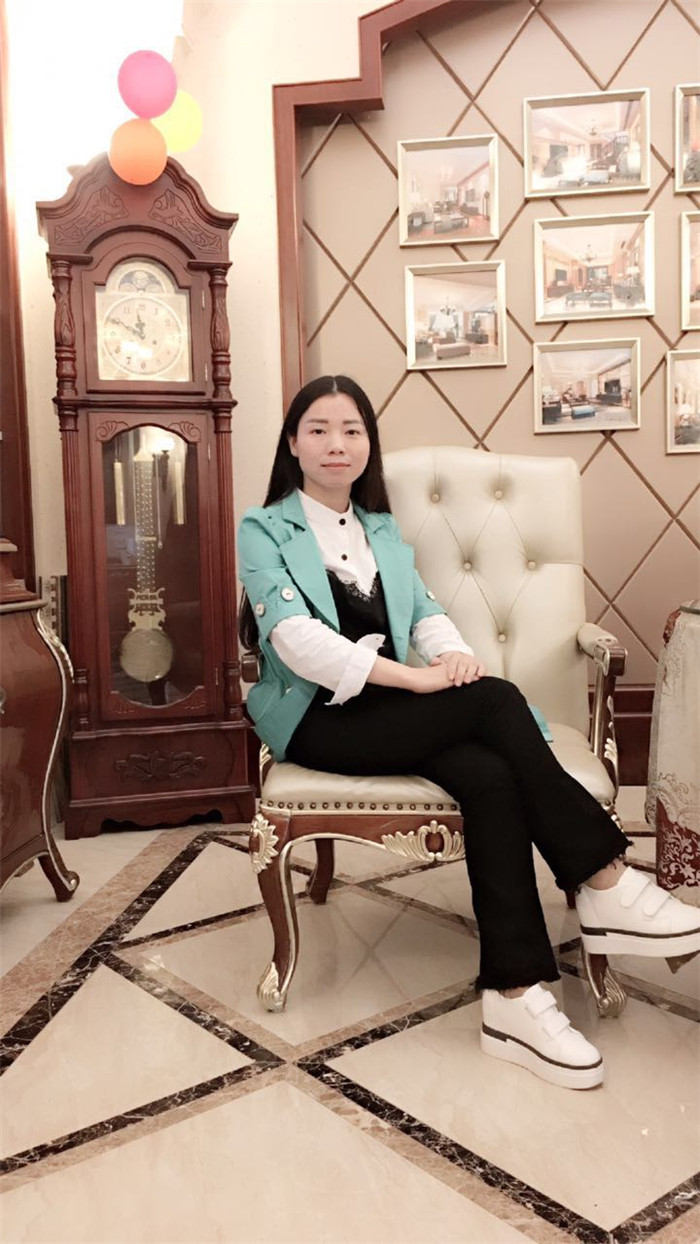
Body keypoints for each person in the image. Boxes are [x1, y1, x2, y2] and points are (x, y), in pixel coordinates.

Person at [237, 375, 700, 1091]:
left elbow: (425, 612)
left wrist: (451, 656)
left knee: (490, 776)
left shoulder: (380, 530)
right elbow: (296, 641)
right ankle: (602, 878)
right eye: (319, 429)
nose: (336, 444)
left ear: (368, 444)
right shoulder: (264, 528)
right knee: (494, 702)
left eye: (352, 429)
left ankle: (513, 997)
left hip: (386, 713)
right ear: (293, 443)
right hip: (315, 719)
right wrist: (420, 680)